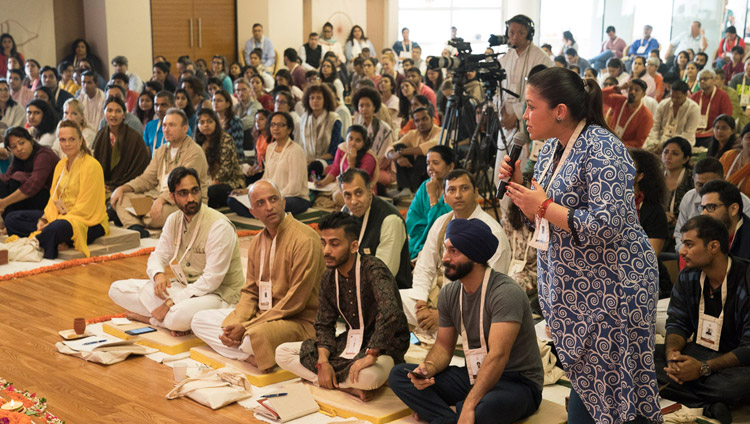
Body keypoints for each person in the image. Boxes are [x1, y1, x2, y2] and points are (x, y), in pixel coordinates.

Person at [498, 67, 661, 423]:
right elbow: (542, 222)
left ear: (559, 110)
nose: (524, 115)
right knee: (588, 391)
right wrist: (522, 187)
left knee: (615, 394)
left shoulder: (604, 148)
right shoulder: (547, 151)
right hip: (572, 291)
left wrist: (542, 205)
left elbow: (607, 224)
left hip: (613, 289)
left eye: (530, 106)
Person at [390, 217, 543, 423]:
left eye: (454, 251)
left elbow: (498, 356)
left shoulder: (505, 293)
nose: (444, 258)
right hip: (474, 373)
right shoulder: (450, 293)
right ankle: (453, 417)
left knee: (486, 408)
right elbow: (444, 346)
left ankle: (449, 413)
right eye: (446, 249)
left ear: (476, 257)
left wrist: (470, 405)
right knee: (400, 375)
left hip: (516, 382)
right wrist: (427, 369)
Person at [275, 211, 409, 402]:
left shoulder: (374, 270)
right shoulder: (329, 277)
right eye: (324, 243)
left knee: (368, 377)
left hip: (383, 349)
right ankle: (344, 386)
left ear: (354, 246)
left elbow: (391, 313)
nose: (326, 250)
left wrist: (371, 354)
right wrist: (322, 362)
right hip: (348, 345)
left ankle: (332, 382)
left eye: (334, 244)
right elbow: (323, 323)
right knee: (282, 352)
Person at [193, 180, 324, 370]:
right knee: (199, 320)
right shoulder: (256, 242)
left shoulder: (305, 239)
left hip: (299, 321)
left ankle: (251, 352)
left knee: (251, 338)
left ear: (283, 202)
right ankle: (253, 356)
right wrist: (237, 322)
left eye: (273, 199)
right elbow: (251, 292)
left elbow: (295, 302)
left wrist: (247, 326)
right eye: (261, 203)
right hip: (262, 316)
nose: (269, 207)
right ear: (253, 212)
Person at [110, 167, 244, 334]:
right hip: (186, 288)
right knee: (117, 289)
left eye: (195, 191)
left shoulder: (219, 226)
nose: (191, 198)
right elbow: (158, 255)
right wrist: (158, 274)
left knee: (177, 316)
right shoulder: (174, 220)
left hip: (219, 295)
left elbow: (212, 280)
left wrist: (169, 303)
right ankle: (171, 321)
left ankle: (150, 319)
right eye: (183, 193)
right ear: (172, 197)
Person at [658, 215, 750, 423]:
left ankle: (691, 392)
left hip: (736, 361)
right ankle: (708, 405)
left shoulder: (746, 278)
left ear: (714, 246)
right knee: (642, 358)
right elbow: (677, 321)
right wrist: (673, 355)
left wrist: (702, 368)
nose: (681, 251)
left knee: (735, 386)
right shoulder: (688, 275)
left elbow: (748, 348)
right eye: (682, 244)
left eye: (689, 244)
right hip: (699, 350)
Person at [402, 169, 512, 332]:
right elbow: (424, 267)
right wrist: (421, 304)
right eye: (452, 190)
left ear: (475, 193)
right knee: (393, 300)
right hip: (439, 297)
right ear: (445, 197)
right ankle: (430, 325)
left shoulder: (491, 232)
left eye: (464, 188)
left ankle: (439, 330)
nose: (458, 195)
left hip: (473, 307)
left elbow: (489, 290)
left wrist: (443, 316)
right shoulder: (441, 223)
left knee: (472, 321)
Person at [6, 120, 107, 258]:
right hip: (60, 217)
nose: (67, 144)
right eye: (63, 140)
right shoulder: (60, 165)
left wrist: (55, 222)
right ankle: (55, 240)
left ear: (81, 140)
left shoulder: (92, 165)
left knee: (57, 228)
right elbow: (53, 199)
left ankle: (44, 240)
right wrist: (44, 219)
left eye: (72, 139)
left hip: (87, 221)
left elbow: (86, 207)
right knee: (12, 219)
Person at [110, 108, 208, 236]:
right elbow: (147, 179)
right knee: (122, 198)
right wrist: (123, 188)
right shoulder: (161, 150)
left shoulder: (194, 152)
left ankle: (134, 218)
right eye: (164, 125)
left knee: (154, 214)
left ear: (185, 128)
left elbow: (183, 185)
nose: (166, 129)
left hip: (184, 200)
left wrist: (161, 200)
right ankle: (135, 226)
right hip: (156, 197)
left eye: (172, 125)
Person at [229, 112, 310, 217]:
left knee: (277, 204)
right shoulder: (270, 148)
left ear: (289, 129)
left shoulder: (296, 151)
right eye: (272, 125)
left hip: (294, 198)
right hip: (270, 196)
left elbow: (294, 187)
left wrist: (271, 197)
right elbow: (266, 177)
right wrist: (249, 190)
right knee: (232, 200)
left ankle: (261, 213)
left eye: (280, 125)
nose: (276, 128)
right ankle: (265, 214)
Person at [674, 157, 750, 253]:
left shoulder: (744, 203)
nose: (703, 213)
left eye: (711, 207)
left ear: (723, 178)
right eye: (700, 185)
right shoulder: (688, 197)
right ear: (693, 180)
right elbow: (679, 234)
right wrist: (689, 253)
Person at [497, 15, 553, 137]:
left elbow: (543, 94)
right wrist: (501, 111)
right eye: (511, 32)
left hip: (529, 121)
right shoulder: (505, 58)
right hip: (505, 120)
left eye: (521, 33)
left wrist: (517, 115)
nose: (515, 37)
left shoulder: (541, 58)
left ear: (529, 34)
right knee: (503, 156)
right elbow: (498, 88)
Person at [91, 96, 150, 195]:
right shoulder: (101, 135)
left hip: (127, 187)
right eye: (109, 110)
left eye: (118, 111)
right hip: (102, 185)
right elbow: (94, 163)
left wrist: (119, 186)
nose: (113, 115)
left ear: (124, 115)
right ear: (104, 114)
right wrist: (100, 183)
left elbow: (139, 167)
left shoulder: (134, 138)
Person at [405, 145, 455, 260]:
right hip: (420, 240)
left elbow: (445, 224)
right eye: (428, 163)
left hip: (445, 243)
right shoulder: (424, 186)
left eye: (436, 163)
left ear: (450, 166)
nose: (430, 167)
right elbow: (411, 220)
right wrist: (427, 230)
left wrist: (433, 197)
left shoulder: (454, 189)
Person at [0, 127, 58, 226]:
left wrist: (4, 202)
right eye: (14, 147)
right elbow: (6, 178)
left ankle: (10, 221)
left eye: (22, 143)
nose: (19, 149)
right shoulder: (18, 158)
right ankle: (7, 221)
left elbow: (33, 185)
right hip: (30, 199)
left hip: (48, 199)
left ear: (31, 141)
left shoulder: (44, 154)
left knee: (16, 180)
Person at [194, 108, 245, 208]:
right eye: (202, 122)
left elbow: (225, 170)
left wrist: (209, 185)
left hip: (229, 183)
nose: (206, 125)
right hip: (207, 182)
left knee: (208, 193)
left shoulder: (226, 139)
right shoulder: (198, 142)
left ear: (216, 123)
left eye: (209, 121)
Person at [314, 125, 376, 202]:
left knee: (338, 197)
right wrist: (324, 182)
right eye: (350, 138)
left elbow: (358, 182)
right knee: (317, 193)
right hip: (344, 184)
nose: (353, 143)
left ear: (363, 143)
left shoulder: (369, 157)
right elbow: (336, 168)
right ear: (345, 138)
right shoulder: (342, 148)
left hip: (361, 190)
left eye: (358, 140)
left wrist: (351, 163)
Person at [388, 107, 440, 199]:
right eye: (417, 120)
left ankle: (412, 188)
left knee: (425, 156)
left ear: (432, 119)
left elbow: (430, 147)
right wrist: (398, 157)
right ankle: (405, 187)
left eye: (424, 119)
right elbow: (391, 148)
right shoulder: (413, 133)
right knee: (399, 146)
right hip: (415, 173)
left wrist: (401, 152)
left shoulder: (440, 132)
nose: (421, 123)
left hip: (433, 174)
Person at [351, 86, 395, 189]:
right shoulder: (357, 122)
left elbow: (383, 158)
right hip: (358, 163)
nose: (364, 109)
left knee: (359, 177)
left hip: (378, 168)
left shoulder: (384, 129)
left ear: (374, 107)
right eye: (361, 106)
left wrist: (364, 163)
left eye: (368, 105)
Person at [699, 179, 750, 260]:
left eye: (711, 207)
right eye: (703, 208)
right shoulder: (703, 234)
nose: (703, 214)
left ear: (733, 209)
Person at [299, 84, 342, 177]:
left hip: (328, 161)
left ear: (325, 100)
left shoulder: (334, 119)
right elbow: (301, 146)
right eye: (312, 98)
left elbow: (333, 152)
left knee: (315, 166)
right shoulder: (304, 119)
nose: (315, 101)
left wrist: (314, 160)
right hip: (308, 160)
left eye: (319, 98)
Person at [646, 81, 701, 148]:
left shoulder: (694, 108)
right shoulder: (663, 104)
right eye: (672, 96)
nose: (674, 100)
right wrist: (653, 143)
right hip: (660, 141)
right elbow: (655, 128)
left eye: (678, 97)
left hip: (682, 144)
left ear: (686, 95)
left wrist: (666, 144)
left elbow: (688, 134)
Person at [602, 79, 654, 147]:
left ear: (643, 94)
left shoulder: (646, 116)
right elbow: (600, 95)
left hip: (625, 150)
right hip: (609, 140)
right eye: (630, 89)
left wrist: (619, 145)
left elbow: (639, 142)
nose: (632, 92)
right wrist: (618, 88)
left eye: (637, 90)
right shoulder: (619, 101)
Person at [692, 69, 733, 147]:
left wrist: (712, 130)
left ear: (714, 80)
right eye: (700, 80)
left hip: (714, 134)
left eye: (705, 79)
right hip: (694, 133)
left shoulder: (723, 96)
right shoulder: (694, 96)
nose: (702, 82)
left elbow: (726, 118)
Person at [211, 89, 243, 158]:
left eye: (219, 100)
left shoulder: (235, 121)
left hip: (233, 158)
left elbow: (237, 147)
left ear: (227, 104)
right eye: (213, 100)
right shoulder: (212, 121)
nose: (215, 103)